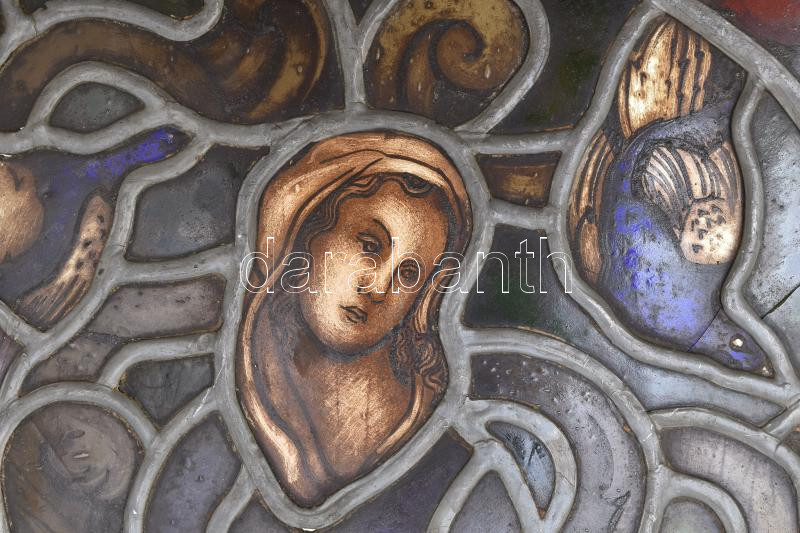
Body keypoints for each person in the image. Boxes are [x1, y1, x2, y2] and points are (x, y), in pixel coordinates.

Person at [236, 132, 472, 507]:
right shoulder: (242, 369)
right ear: (308, 234)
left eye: (409, 274)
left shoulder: (416, 416)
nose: (378, 287)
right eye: (370, 245)